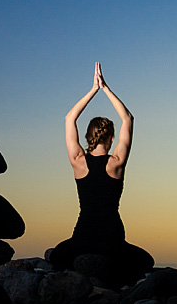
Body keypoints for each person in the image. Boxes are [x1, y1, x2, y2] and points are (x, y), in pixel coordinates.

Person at [49, 62, 153, 285]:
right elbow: (128, 118)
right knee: (146, 261)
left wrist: (93, 90)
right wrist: (105, 88)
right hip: (112, 239)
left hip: (83, 238)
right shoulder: (116, 162)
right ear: (111, 138)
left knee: (55, 255)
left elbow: (69, 119)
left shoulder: (78, 161)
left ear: (87, 137)